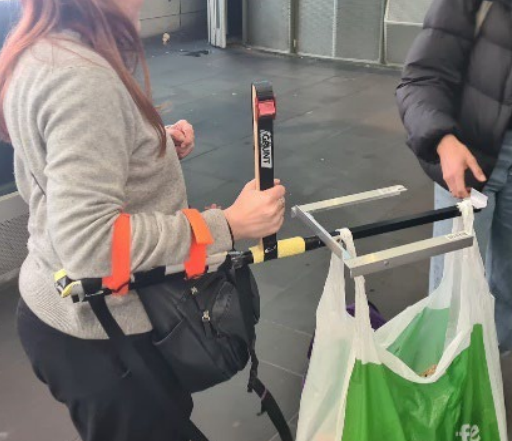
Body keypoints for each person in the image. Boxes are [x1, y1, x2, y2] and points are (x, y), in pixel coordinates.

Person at [0, 1, 286, 440]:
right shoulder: (81, 77)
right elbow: (91, 244)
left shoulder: (41, 49)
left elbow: (60, 162)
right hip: (102, 335)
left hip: (62, 309)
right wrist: (227, 225)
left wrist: (150, 146)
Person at [396, 0, 512, 354]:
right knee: (452, 290)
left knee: (508, 290)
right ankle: (444, 369)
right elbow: (421, 76)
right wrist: (442, 140)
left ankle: (489, 364)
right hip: (469, 159)